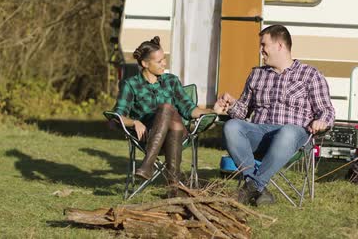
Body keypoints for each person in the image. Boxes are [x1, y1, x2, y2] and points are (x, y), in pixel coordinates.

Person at [215, 25, 335, 206]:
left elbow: (327, 110)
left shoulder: (310, 75)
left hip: (294, 137)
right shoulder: (257, 74)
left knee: (287, 131)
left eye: (264, 45)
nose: (261, 50)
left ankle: (252, 186)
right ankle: (256, 188)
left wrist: (322, 121)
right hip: (260, 133)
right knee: (231, 126)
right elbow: (242, 113)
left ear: (280, 46)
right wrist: (231, 104)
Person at [113, 36, 219, 195]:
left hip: (179, 135)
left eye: (164, 59)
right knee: (171, 119)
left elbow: (190, 109)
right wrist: (134, 122)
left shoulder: (171, 81)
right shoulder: (131, 85)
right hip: (148, 136)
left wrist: (213, 111)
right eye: (159, 61)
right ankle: (173, 188)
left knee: (166, 108)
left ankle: (147, 165)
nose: (164, 64)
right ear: (145, 64)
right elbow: (118, 115)